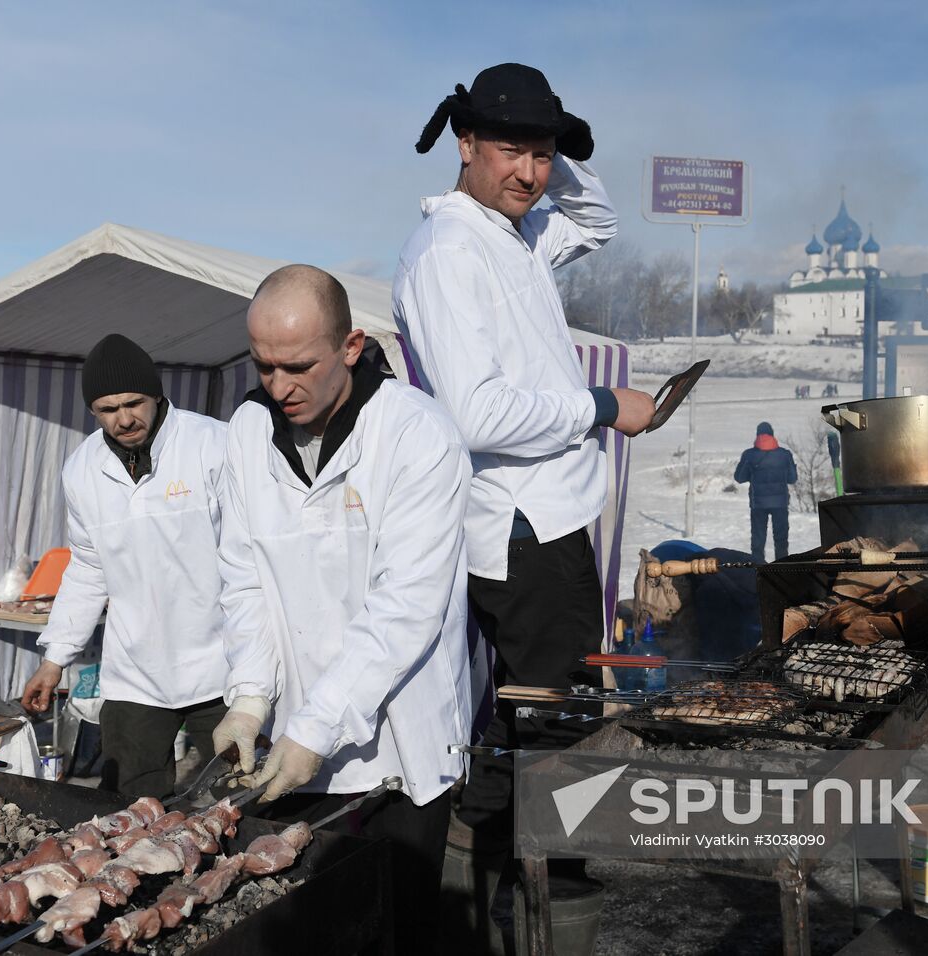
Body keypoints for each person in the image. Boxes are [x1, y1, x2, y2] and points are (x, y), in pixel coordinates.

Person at [392, 61, 654, 921]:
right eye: (510, 150)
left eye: (540, 155)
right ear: (463, 144)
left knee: (534, 723)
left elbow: (600, 219)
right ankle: (552, 902)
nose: (529, 173)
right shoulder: (449, 253)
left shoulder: (514, 232)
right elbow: (475, 414)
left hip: (548, 520)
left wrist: (555, 146)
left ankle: (507, 893)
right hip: (520, 529)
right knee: (561, 730)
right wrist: (603, 406)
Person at [212, 265, 473, 952]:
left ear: (351, 347)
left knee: (398, 928)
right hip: (298, 739)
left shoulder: (417, 435)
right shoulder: (245, 432)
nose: (279, 387)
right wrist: (248, 698)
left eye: (298, 367)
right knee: (304, 928)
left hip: (399, 742)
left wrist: (317, 725)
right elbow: (245, 578)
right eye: (263, 366)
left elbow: (406, 607)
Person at [19, 334, 232, 799]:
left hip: (223, 664)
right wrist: (55, 658)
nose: (124, 418)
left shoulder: (213, 446)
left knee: (247, 799)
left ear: (156, 394)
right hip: (136, 669)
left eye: (134, 403)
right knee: (132, 809)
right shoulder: (82, 469)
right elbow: (88, 566)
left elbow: (251, 557)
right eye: (107, 409)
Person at [734, 421, 798, 561]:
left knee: (758, 541)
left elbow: (739, 478)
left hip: (758, 504)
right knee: (781, 539)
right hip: (780, 503)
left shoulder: (749, 455)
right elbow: (792, 478)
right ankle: (782, 569)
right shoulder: (784, 454)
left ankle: (758, 570)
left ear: (757, 435)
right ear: (772, 435)